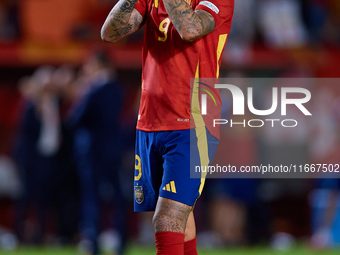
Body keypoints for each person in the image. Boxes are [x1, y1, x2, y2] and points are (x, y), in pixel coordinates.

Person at [101, 0, 234, 254]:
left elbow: (189, 28)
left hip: (192, 122)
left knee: (167, 219)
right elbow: (109, 33)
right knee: (182, 222)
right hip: (149, 121)